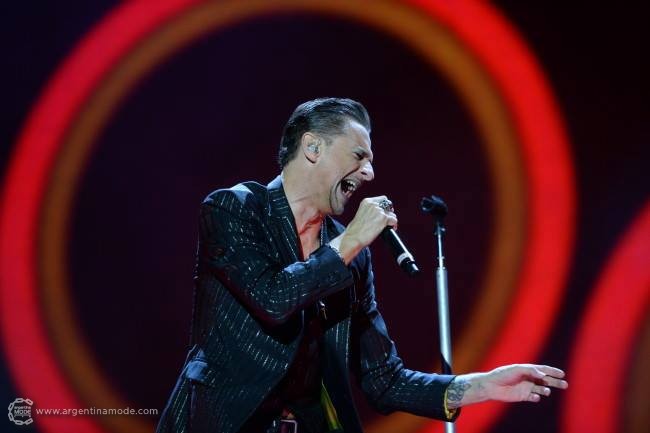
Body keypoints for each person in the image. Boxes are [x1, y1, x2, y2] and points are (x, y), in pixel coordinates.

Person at [156, 98, 568, 433]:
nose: (369, 173)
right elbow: (272, 298)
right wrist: (351, 239)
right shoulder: (235, 209)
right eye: (359, 156)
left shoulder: (351, 254)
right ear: (313, 148)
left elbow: (383, 379)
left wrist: (481, 386)